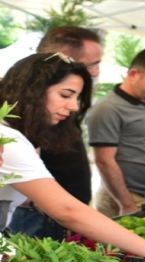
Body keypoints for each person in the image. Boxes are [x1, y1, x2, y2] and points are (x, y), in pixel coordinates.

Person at [0, 52, 145, 262]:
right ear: (33, 91)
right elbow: (68, 211)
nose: (73, 107)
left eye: (77, 98)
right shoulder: (10, 140)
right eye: (66, 95)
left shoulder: (19, 137)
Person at [11, 26, 105, 240]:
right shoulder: (13, 129)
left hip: (61, 213)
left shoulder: (54, 109)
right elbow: (64, 209)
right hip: (40, 216)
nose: (72, 106)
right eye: (93, 64)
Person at [87, 47, 145, 217]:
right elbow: (104, 161)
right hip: (123, 200)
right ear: (133, 74)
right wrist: (127, 204)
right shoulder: (108, 109)